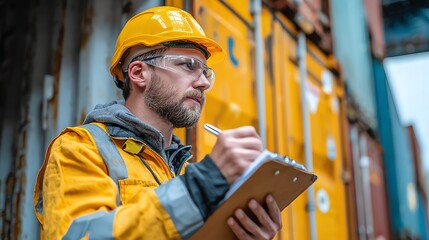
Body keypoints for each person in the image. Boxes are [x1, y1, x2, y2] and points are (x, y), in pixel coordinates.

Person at [34, 6, 282, 239]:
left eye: (205, 72)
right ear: (139, 73)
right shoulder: (80, 150)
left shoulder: (184, 170)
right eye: (189, 65)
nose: (204, 83)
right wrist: (198, 188)